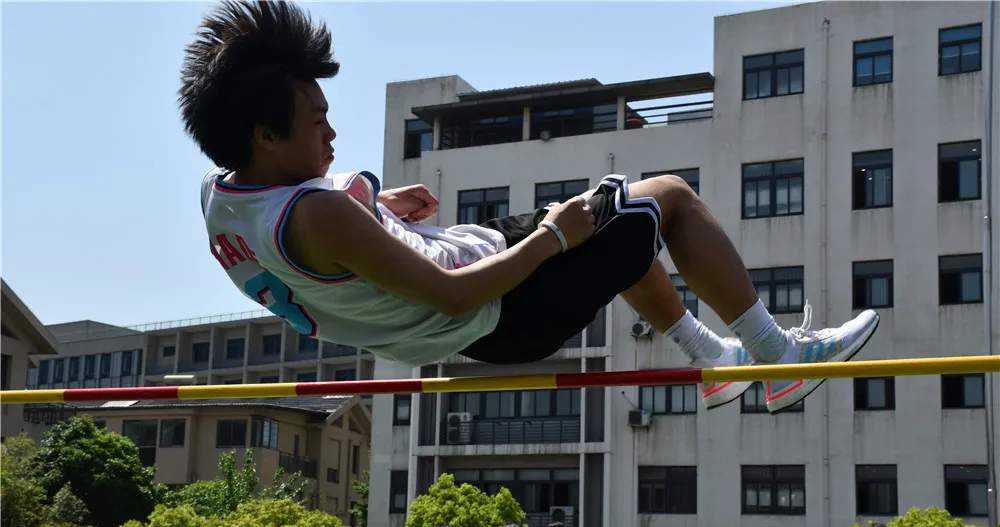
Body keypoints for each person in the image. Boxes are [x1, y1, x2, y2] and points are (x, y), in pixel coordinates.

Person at [180, 0, 879, 414]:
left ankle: (711, 362)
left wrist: (375, 214)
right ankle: (778, 358)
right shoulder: (319, 216)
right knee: (669, 199)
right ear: (264, 135)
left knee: (623, 231)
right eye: (316, 123)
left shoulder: (221, 196)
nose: (332, 134)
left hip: (475, 264)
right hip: (497, 302)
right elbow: (451, 294)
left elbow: (303, 247)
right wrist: (551, 238)